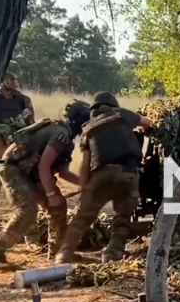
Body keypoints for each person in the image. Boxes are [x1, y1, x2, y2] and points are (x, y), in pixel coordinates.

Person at [0, 100, 91, 264]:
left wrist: (85, 183)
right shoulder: (60, 134)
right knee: (27, 211)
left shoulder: (67, 140)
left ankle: (59, 252)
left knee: (58, 206)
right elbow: (44, 165)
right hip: (13, 169)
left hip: (30, 173)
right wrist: (50, 194)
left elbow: (63, 173)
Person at [55, 92, 151, 265]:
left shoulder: (87, 128)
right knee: (123, 217)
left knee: (82, 218)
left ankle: (64, 253)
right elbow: (147, 123)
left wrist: (85, 191)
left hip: (102, 175)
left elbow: (84, 165)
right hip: (129, 173)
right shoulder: (121, 114)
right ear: (113, 105)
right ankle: (113, 254)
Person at [0, 61, 35, 230]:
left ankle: (29, 235)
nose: (14, 83)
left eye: (16, 79)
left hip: (16, 155)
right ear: (2, 78)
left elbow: (31, 125)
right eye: (11, 78)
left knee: (24, 197)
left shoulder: (23, 101)